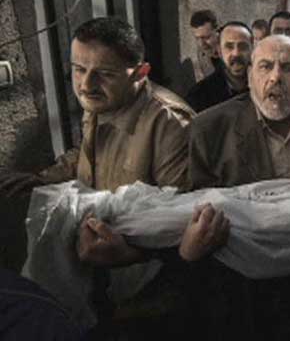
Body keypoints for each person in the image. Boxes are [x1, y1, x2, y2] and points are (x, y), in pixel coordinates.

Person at [37, 17, 227, 337]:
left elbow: (189, 224)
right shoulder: (102, 99)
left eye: (105, 73)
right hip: (105, 283)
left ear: (141, 73)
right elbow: (88, 154)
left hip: (153, 299)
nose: (85, 84)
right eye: (79, 69)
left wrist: (128, 254)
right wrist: (40, 179)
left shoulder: (171, 125)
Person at [187, 34, 290, 340]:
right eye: (265, 66)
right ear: (250, 74)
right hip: (240, 290)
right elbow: (196, 207)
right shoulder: (210, 129)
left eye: (289, 68)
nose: (276, 77)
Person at [185, 21, 252, 112]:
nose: (236, 53)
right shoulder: (198, 96)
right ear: (219, 51)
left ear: (253, 49)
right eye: (229, 46)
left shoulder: (264, 89)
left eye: (243, 46)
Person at [189, 9, 220, 79]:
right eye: (197, 38)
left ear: (216, 31)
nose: (201, 44)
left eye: (206, 37)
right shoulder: (201, 53)